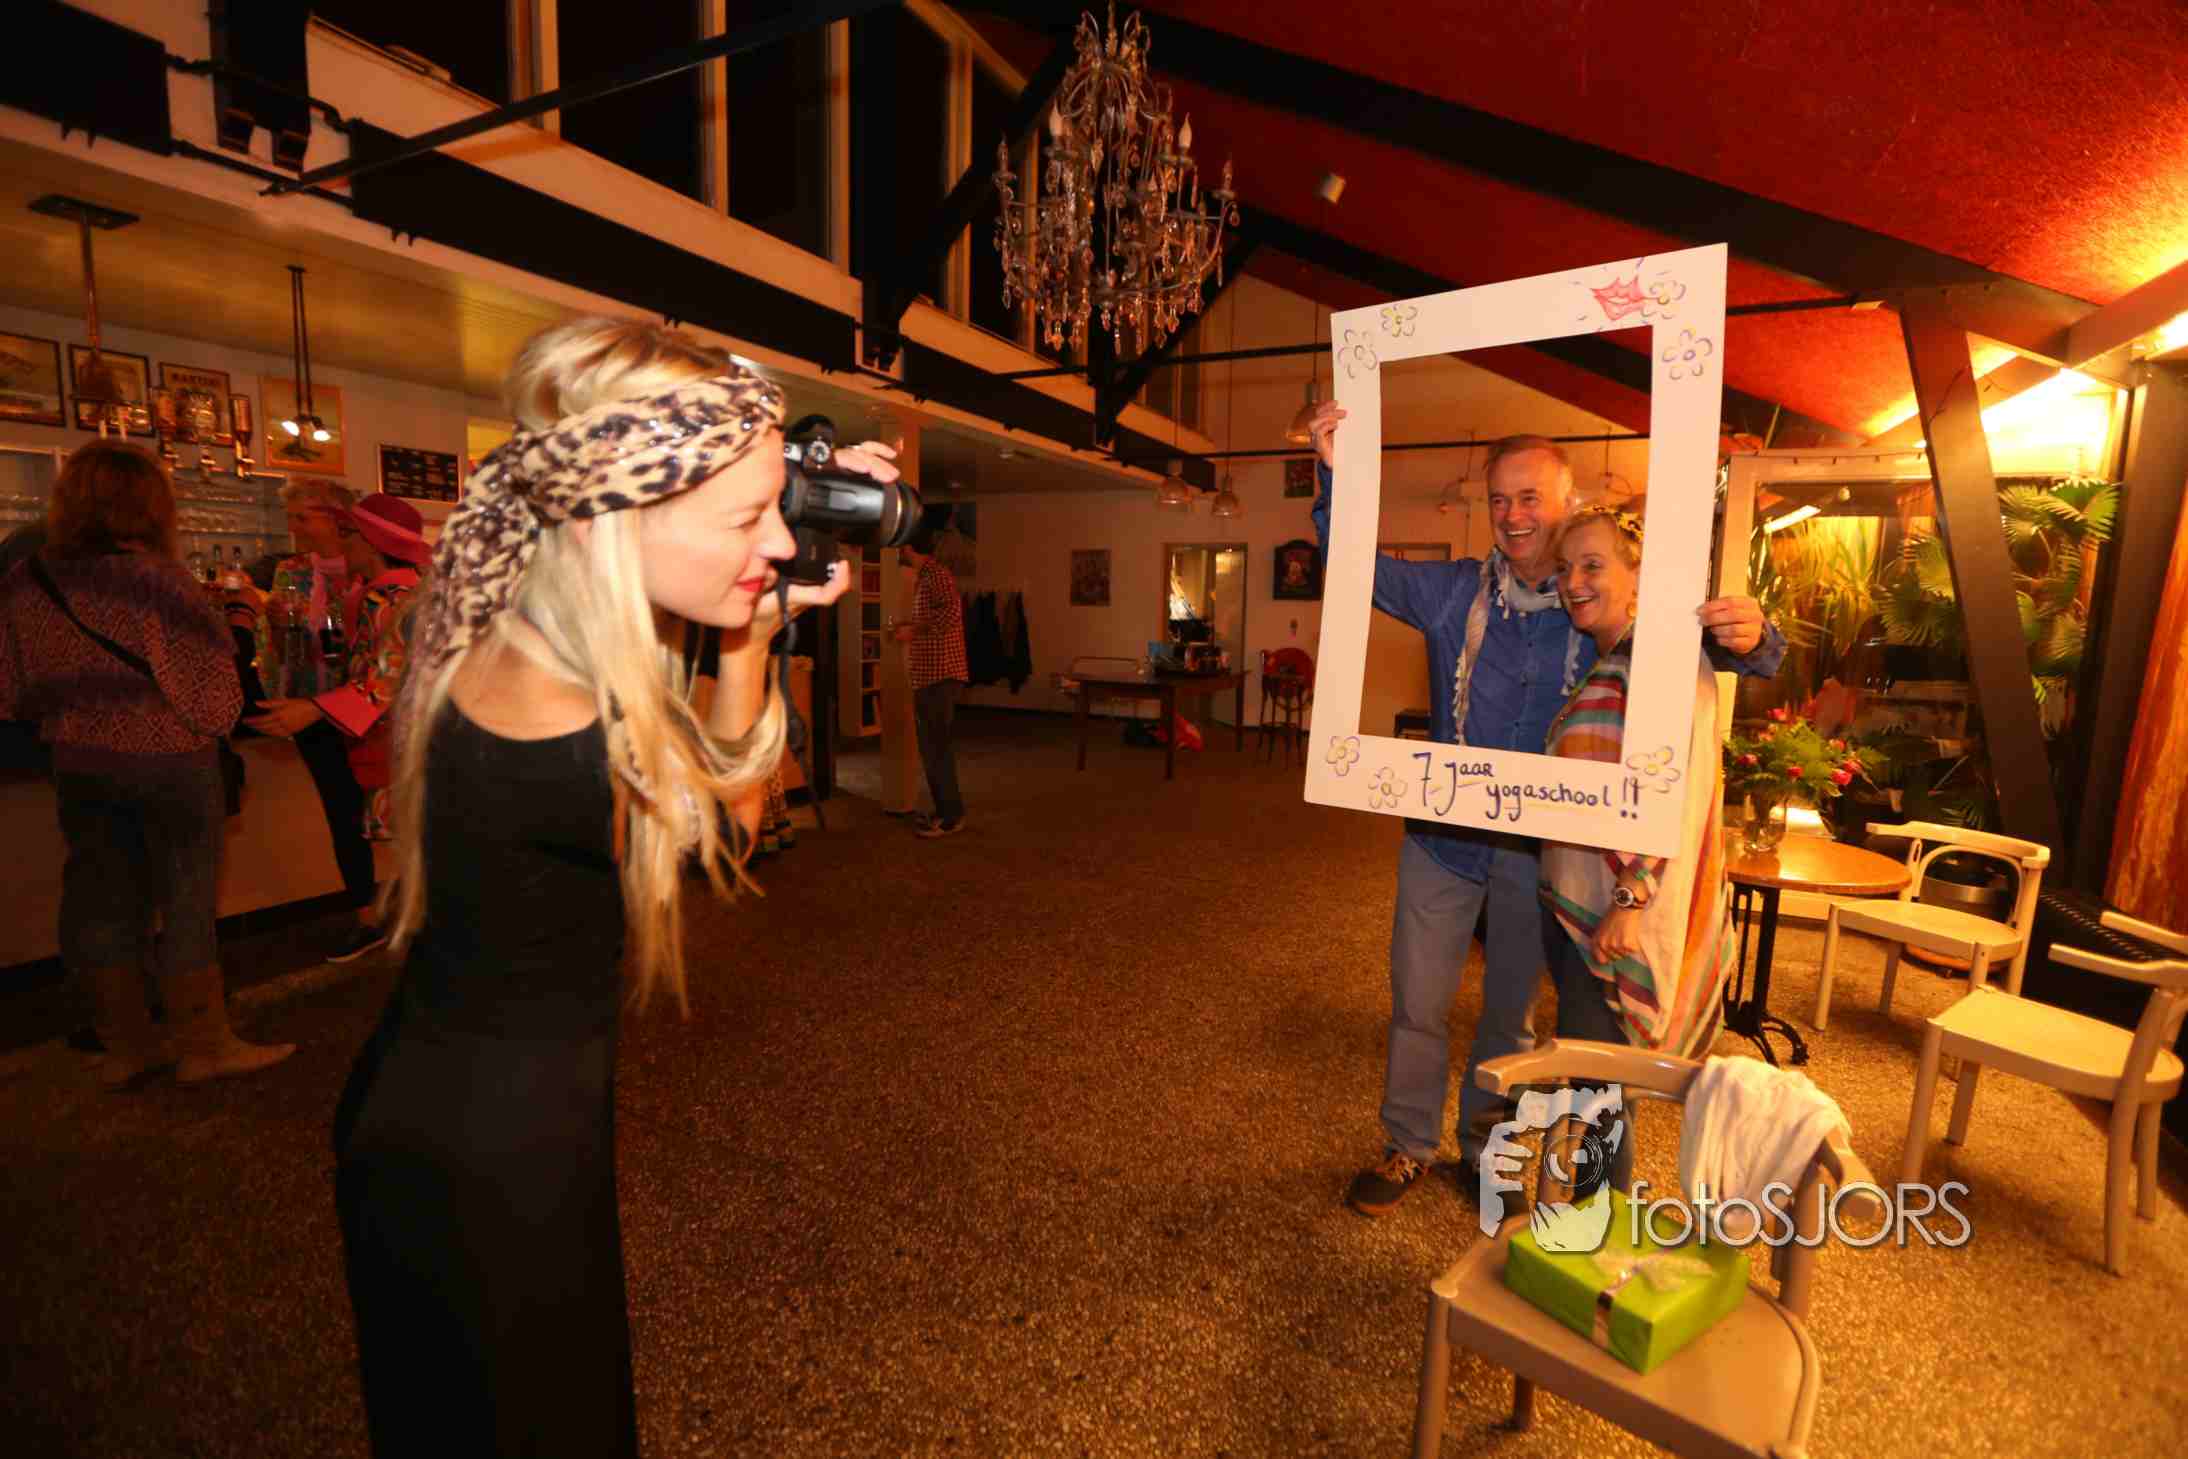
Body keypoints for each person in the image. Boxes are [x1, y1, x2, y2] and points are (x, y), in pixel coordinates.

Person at [332, 317, 886, 1456]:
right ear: (609, 514)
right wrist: (753, 638)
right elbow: (731, 824)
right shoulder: (567, 719)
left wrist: (774, 520)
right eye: (747, 516)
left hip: (455, 1107)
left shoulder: (516, 626)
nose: (781, 540)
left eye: (778, 507)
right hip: (490, 1162)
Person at [1304, 404, 1783, 1216]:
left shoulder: (1592, 595)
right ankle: (1408, 1144)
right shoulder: (1454, 592)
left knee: (1511, 1017)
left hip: (1540, 857)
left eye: (1531, 497)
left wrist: (1755, 634)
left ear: (1568, 503)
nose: (1514, 514)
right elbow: (1353, 568)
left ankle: (1482, 1150)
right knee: (1417, 1003)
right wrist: (1335, 477)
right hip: (1443, 841)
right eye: (1499, 499)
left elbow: (1712, 650)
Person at [0, 441, 294, 1086]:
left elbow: (11, 688)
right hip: (168, 760)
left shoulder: (27, 580)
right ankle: (205, 1046)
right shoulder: (159, 581)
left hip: (78, 760)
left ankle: (127, 1047)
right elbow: (214, 700)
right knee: (186, 898)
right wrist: (237, 626)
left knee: (102, 900)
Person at [1538, 506, 1741, 1191]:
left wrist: (1631, 897)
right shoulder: (1621, 656)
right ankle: (1595, 1219)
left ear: (1639, 575)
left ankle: (1598, 1230)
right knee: (1596, 1083)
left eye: (1593, 565)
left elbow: (1672, 786)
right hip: (1586, 901)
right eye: (1565, 568)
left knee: (1599, 1091)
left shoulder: (1660, 661)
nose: (1573, 581)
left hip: (1617, 913)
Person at [245, 494, 431, 956]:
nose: (341, 542)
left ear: (371, 542)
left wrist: (313, 709)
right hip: (408, 734)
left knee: (403, 834)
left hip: (387, 736)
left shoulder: (386, 597)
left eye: (348, 533)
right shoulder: (411, 589)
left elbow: (381, 678)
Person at [255, 477, 380, 957]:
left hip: (370, 708)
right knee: (342, 813)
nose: (295, 527)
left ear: (336, 518)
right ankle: (367, 917)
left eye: (303, 517)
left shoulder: (369, 568)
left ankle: (422, 909)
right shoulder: (290, 571)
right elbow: (281, 649)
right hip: (313, 709)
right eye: (291, 517)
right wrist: (273, 626)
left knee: (392, 809)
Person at [891, 522, 969, 837]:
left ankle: (951, 816)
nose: (899, 551)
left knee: (936, 749)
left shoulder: (936, 575)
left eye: (901, 545)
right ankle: (945, 811)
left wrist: (913, 630)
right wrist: (911, 627)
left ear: (909, 547)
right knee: (933, 748)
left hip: (939, 675)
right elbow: (937, 619)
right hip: (930, 675)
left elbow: (950, 616)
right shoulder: (928, 576)